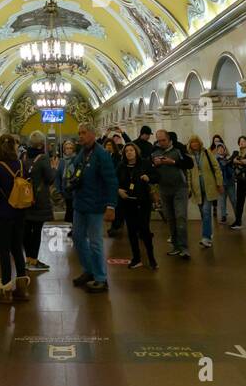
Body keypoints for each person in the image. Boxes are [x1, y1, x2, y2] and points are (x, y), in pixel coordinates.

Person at [68, 123, 117, 292]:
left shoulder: (102, 154)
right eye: (79, 133)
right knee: (77, 237)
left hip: (96, 205)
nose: (80, 136)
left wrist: (111, 205)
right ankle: (89, 270)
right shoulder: (82, 153)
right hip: (80, 203)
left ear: (92, 134)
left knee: (95, 242)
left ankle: (101, 278)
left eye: (83, 133)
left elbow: (111, 181)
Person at [0, 134, 31, 303]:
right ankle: (22, 289)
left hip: (3, 213)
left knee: (3, 250)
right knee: (17, 248)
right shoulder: (21, 164)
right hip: (20, 212)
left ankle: (6, 291)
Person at [117, 141, 157, 269]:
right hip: (128, 202)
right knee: (131, 231)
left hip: (142, 202)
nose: (129, 153)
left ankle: (151, 258)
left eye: (131, 150)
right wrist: (118, 190)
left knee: (145, 230)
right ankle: (136, 258)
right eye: (127, 151)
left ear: (136, 152)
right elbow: (114, 181)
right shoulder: (121, 166)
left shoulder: (144, 164)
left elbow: (157, 176)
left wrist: (148, 177)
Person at [152, 128, 191, 259]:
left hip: (180, 188)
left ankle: (184, 248)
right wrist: (155, 164)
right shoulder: (155, 152)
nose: (161, 143)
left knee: (180, 216)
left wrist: (173, 162)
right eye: (159, 140)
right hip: (164, 189)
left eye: (163, 140)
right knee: (171, 219)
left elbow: (189, 163)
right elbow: (150, 169)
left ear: (169, 139)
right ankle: (176, 246)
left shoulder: (178, 149)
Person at [23, 131, 56, 273]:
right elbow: (50, 179)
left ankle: (27, 259)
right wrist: (54, 168)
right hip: (39, 199)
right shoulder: (43, 158)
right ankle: (33, 261)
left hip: (24, 198)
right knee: (36, 231)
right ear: (42, 144)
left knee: (26, 230)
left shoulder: (23, 156)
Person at [186, 135, 223, 249]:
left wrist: (219, 183)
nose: (195, 144)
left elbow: (216, 167)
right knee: (203, 213)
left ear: (199, 143)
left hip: (209, 186)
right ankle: (208, 233)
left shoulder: (206, 153)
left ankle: (206, 237)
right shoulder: (189, 156)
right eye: (192, 143)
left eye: (196, 142)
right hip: (197, 189)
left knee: (207, 211)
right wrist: (189, 188)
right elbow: (188, 173)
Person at [211, 136, 235, 224]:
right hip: (221, 183)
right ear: (217, 150)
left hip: (230, 181)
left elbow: (232, 168)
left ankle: (237, 215)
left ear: (224, 149)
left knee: (233, 199)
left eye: (222, 148)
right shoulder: (215, 160)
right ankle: (223, 216)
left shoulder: (229, 158)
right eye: (219, 149)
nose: (220, 150)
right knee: (222, 200)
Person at [55, 138, 78, 223]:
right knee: (69, 209)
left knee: (73, 211)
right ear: (64, 150)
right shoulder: (62, 161)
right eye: (67, 148)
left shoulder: (77, 160)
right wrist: (58, 189)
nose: (69, 150)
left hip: (75, 190)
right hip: (65, 189)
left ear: (73, 149)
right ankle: (68, 228)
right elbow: (58, 176)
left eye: (70, 148)